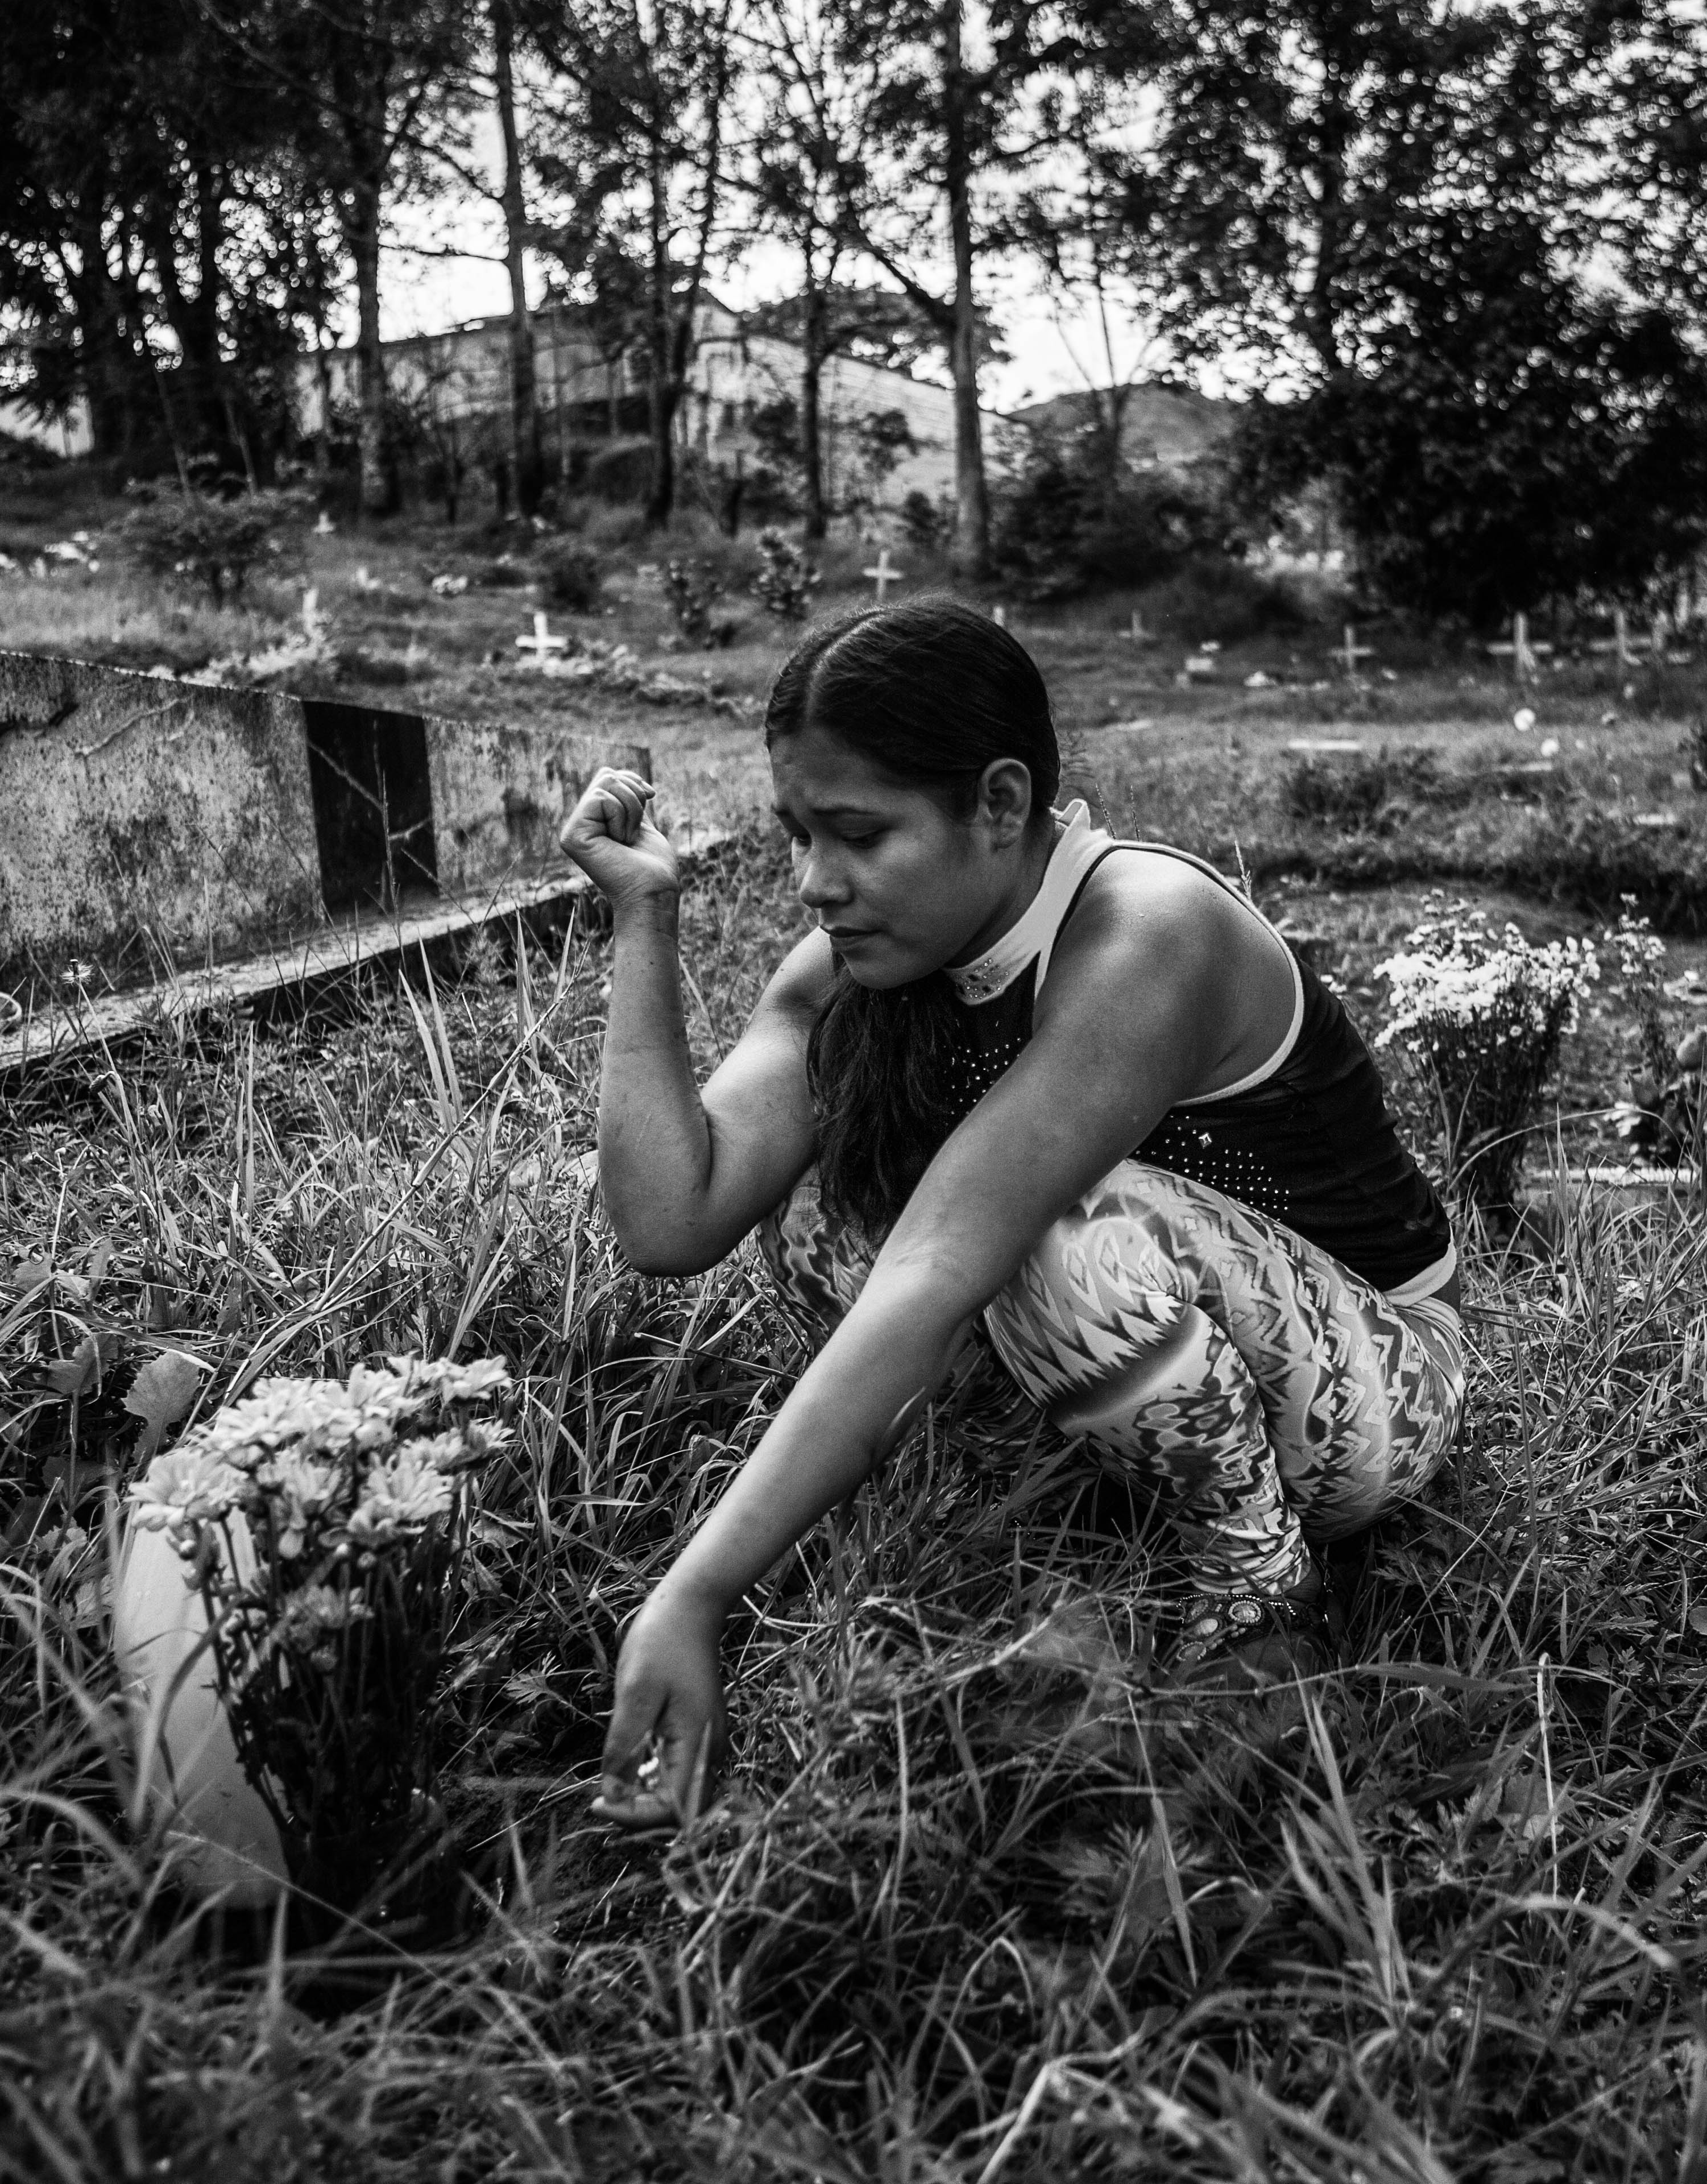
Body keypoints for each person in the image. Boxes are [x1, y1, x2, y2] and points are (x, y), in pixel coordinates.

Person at [564, 598, 1465, 1829]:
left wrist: (697, 1595)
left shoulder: (1150, 932)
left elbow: (945, 1267)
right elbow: (673, 1219)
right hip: (1186, 1348)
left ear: (998, 804)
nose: (815, 882)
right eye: (797, 835)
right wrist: (642, 913)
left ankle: (1260, 1594)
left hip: (1375, 1385)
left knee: (1051, 1246)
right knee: (824, 1208)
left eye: (860, 835)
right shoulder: (858, 968)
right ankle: (1080, 1504)